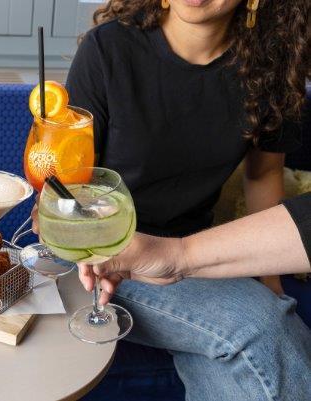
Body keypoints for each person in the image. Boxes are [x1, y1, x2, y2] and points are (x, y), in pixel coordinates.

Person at [34, 0, 311, 399]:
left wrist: (270, 281)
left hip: (195, 252)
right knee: (263, 325)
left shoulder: (272, 67)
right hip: (107, 253)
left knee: (241, 358)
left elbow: (263, 174)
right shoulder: (108, 49)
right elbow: (67, 179)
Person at [76, 193, 311, 303]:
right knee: (262, 324)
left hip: (177, 253)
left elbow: (263, 173)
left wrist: (180, 255)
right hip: (122, 257)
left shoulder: (271, 107)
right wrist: (179, 255)